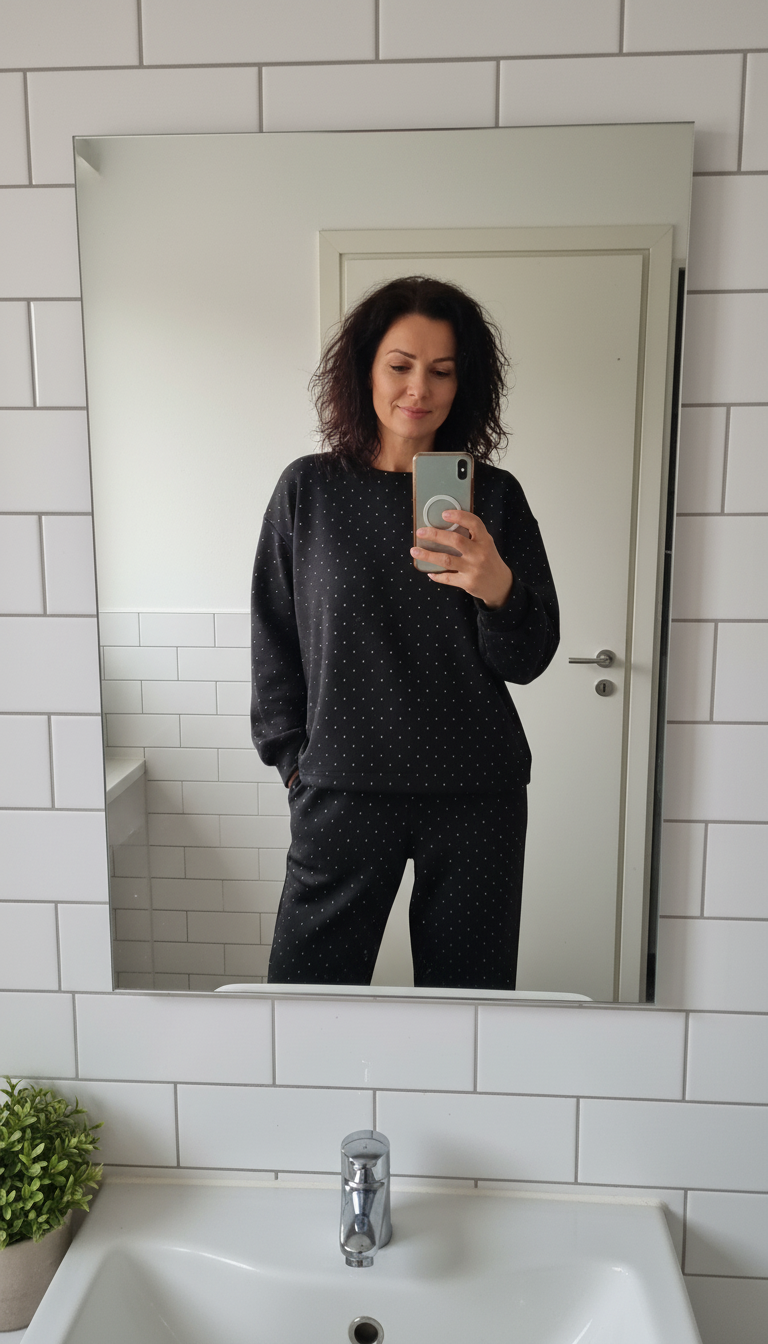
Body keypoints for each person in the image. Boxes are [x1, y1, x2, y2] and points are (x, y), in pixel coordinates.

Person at [250, 275, 559, 989]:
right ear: (365, 371)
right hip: (342, 788)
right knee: (303, 996)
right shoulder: (308, 490)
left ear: (463, 383)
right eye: (400, 365)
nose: (420, 388)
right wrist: (294, 762)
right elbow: (273, 635)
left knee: (469, 1002)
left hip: (476, 793)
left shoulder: (495, 497)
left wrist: (497, 588)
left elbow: (529, 657)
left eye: (442, 371)